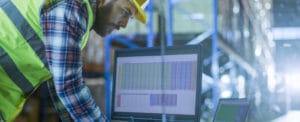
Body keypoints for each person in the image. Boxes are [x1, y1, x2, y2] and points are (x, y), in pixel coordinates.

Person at [0, 0, 147, 121]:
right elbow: (68, 86)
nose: (125, 24)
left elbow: (59, 84)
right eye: (126, 12)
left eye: (131, 17)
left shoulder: (79, 17)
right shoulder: (71, 6)